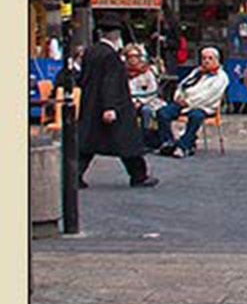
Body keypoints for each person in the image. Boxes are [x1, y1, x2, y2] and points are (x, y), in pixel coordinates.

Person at [77, 29, 158, 188]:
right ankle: (139, 176)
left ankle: (75, 176)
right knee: (128, 141)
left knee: (88, 143)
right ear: (116, 37)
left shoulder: (90, 51)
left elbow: (84, 78)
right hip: (114, 105)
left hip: (91, 104)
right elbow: (111, 82)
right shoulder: (111, 56)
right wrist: (110, 107)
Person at [154, 46, 229, 158]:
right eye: (204, 58)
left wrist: (189, 102)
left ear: (216, 60)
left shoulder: (221, 77)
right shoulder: (197, 72)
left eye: (210, 58)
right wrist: (178, 97)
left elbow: (208, 96)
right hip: (184, 103)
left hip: (203, 106)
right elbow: (182, 85)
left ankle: (184, 146)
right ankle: (168, 142)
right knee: (163, 112)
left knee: (196, 116)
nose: (206, 61)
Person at [123, 43, 166, 142]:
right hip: (128, 101)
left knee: (146, 111)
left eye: (135, 56)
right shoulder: (122, 72)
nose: (133, 59)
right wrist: (132, 101)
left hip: (147, 101)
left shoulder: (147, 71)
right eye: (130, 56)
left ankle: (145, 137)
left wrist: (140, 101)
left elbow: (153, 90)